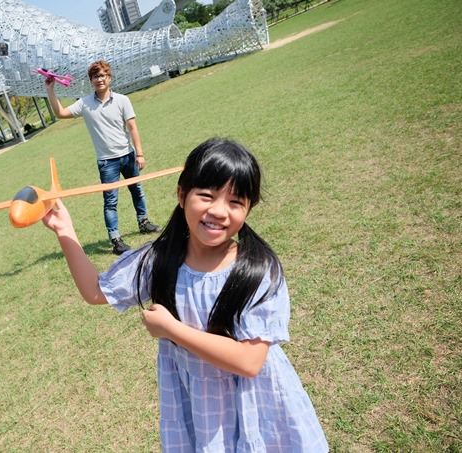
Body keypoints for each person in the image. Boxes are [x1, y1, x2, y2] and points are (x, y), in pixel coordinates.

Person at [42, 138, 329, 452]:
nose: (219, 211)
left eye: (235, 202)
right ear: (182, 195)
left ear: (248, 208)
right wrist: (64, 230)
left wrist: (172, 329)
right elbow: (96, 291)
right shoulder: (160, 259)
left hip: (257, 404)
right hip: (200, 406)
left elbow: (249, 361)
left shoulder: (258, 270)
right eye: (206, 196)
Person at [45, 59, 159, 255]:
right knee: (110, 201)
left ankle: (144, 222)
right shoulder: (85, 104)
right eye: (95, 76)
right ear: (91, 81)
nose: (99, 79)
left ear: (109, 78)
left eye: (102, 75)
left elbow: (132, 128)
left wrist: (139, 154)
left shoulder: (123, 100)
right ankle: (115, 240)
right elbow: (61, 112)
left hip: (128, 155)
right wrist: (50, 90)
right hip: (107, 162)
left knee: (137, 191)